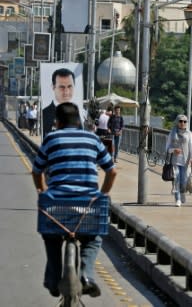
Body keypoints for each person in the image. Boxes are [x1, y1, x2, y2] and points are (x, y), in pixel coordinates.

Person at [32, 102, 117, 298]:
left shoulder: (51, 139)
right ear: (78, 120)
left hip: (56, 206)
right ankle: (86, 275)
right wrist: (101, 194)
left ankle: (53, 280)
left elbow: (37, 171)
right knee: (93, 238)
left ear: (57, 122)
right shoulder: (93, 139)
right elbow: (111, 171)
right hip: (87, 206)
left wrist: (42, 190)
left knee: (51, 238)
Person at [165, 114, 192, 207]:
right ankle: (177, 198)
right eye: (180, 121)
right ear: (177, 122)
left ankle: (182, 193)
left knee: (184, 180)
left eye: (185, 121)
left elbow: (191, 147)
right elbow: (167, 147)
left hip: (185, 161)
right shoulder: (172, 133)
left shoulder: (189, 133)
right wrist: (174, 150)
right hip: (175, 160)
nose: (182, 123)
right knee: (176, 179)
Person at [42, 68, 76, 137]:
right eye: (62, 87)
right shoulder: (44, 114)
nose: (66, 92)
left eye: (69, 86)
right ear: (53, 87)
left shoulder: (79, 115)